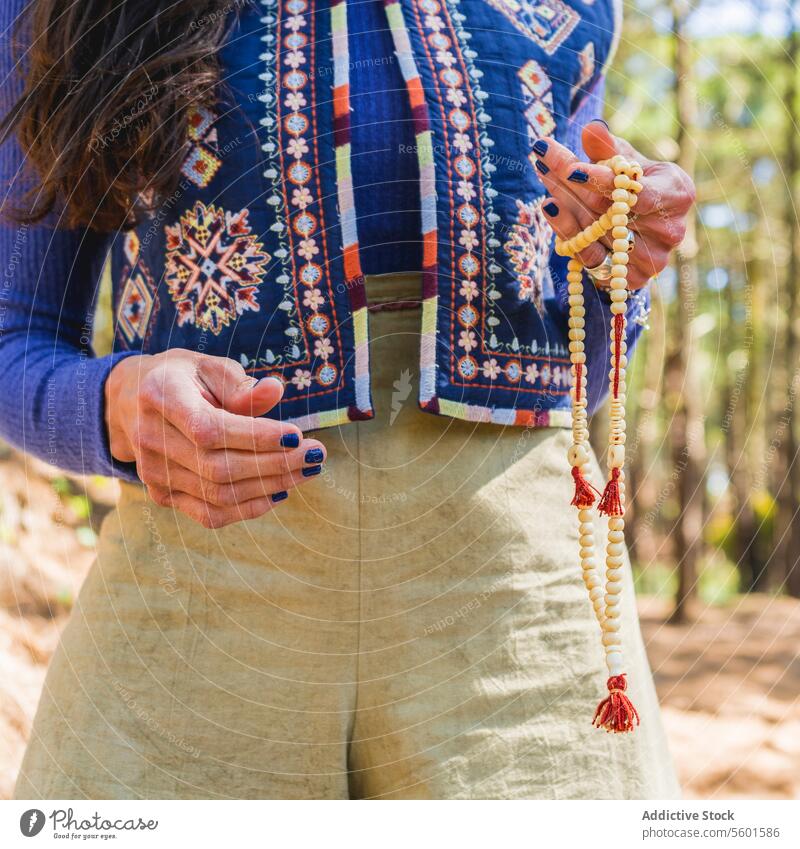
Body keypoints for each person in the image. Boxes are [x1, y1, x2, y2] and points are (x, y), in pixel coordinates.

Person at [1, 0, 694, 799]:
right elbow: (16, 331)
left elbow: (577, 350)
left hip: (519, 622)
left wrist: (621, 262)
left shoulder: (573, 12)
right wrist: (114, 406)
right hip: (196, 612)